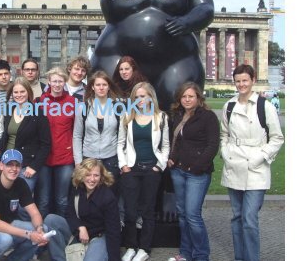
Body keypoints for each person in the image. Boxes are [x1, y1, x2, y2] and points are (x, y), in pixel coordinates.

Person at [220, 64, 284, 261]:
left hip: (256, 167)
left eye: (245, 80)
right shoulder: (229, 106)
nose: (241, 84)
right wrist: (225, 152)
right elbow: (224, 134)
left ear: (253, 80)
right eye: (238, 81)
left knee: (249, 219)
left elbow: (277, 138)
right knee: (237, 216)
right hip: (234, 164)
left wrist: (260, 156)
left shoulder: (265, 106)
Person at [0, 149, 67, 261]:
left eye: (17, 165)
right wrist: (28, 234)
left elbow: (34, 213)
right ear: (1, 166)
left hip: (9, 223)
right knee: (6, 240)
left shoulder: (20, 183)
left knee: (42, 229)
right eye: (9, 165)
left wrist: (39, 229)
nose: (14, 169)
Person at [166, 82, 220, 261]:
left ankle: (202, 255)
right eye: (184, 96)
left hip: (197, 173)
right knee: (182, 214)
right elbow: (177, 141)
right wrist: (172, 158)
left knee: (193, 215)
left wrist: (197, 166)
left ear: (198, 98)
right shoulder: (179, 115)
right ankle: (185, 254)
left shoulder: (208, 117)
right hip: (178, 171)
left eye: (191, 96)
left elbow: (212, 145)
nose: (187, 99)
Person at [118, 82, 169, 261]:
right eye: (137, 97)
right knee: (130, 211)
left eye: (143, 96)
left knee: (147, 211)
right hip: (131, 168)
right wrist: (123, 165)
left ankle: (144, 248)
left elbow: (165, 145)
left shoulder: (161, 117)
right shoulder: (127, 116)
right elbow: (120, 143)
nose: (140, 100)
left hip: (151, 170)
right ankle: (131, 246)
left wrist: (159, 166)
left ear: (151, 97)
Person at [48, 158, 121, 261]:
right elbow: (70, 213)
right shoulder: (77, 187)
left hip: (98, 236)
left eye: (96, 175)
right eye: (88, 175)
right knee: (51, 219)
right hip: (79, 232)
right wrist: (80, 227)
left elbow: (113, 231)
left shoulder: (107, 197)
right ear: (82, 175)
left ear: (101, 177)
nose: (92, 179)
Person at [0, 77, 51, 194]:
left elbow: (46, 145)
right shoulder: (10, 110)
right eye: (16, 92)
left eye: (22, 91)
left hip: (26, 166)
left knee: (22, 203)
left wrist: (34, 166)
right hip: (7, 162)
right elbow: (6, 134)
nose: (19, 95)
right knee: (5, 198)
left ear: (28, 92)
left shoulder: (38, 113)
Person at [72, 71, 121, 193]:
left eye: (104, 84)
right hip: (88, 157)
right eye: (98, 85)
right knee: (89, 193)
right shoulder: (83, 107)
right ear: (92, 87)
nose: (101, 87)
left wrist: (121, 160)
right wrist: (78, 162)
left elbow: (122, 136)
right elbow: (77, 136)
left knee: (110, 195)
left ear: (109, 86)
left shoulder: (118, 108)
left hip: (111, 158)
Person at [37, 67, 76, 217]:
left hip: (64, 157)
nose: (57, 84)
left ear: (65, 82)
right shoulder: (41, 102)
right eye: (54, 81)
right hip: (44, 158)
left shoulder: (72, 102)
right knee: (44, 199)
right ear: (49, 82)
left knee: (62, 199)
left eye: (60, 81)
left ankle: (63, 231)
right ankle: (42, 232)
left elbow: (76, 130)